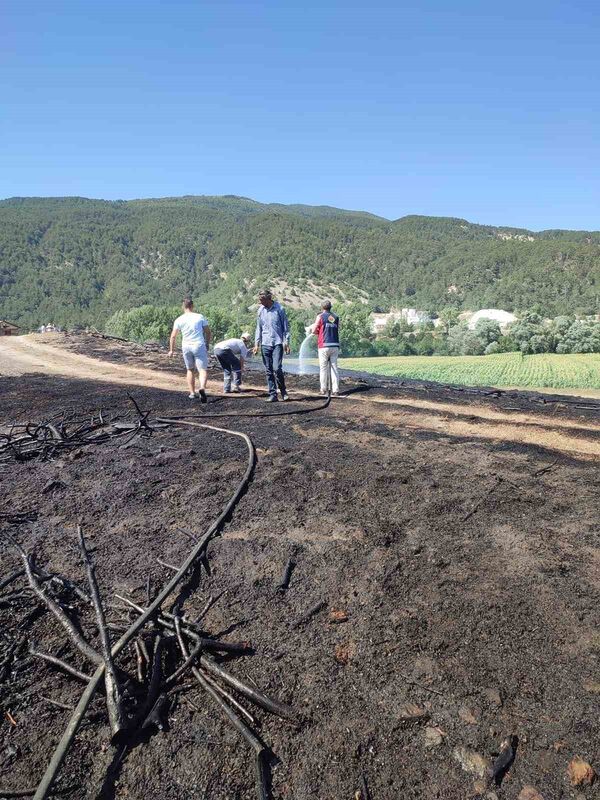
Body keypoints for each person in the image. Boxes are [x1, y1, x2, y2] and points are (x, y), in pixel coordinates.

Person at [168, 298, 211, 402]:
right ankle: (202, 388)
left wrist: (171, 350)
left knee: (190, 369)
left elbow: (173, 336)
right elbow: (208, 332)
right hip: (198, 345)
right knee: (202, 369)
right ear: (192, 306)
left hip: (186, 346)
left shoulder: (179, 319)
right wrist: (207, 344)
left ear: (183, 306)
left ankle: (192, 393)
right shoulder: (200, 317)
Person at [253, 289, 290, 402]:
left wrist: (286, 342)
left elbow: (285, 328)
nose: (260, 302)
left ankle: (283, 391)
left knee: (277, 368)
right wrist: (256, 344)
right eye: (259, 300)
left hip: (278, 343)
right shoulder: (260, 310)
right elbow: (258, 328)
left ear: (268, 298)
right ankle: (273, 394)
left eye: (262, 299)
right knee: (268, 370)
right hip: (265, 343)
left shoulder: (280, 309)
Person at [311, 300, 340, 395]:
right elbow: (335, 328)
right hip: (335, 345)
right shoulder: (335, 317)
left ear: (322, 308)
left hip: (324, 345)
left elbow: (314, 330)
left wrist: (314, 332)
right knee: (334, 368)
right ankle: (335, 390)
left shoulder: (320, 317)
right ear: (330, 307)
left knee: (323, 368)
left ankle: (323, 389)